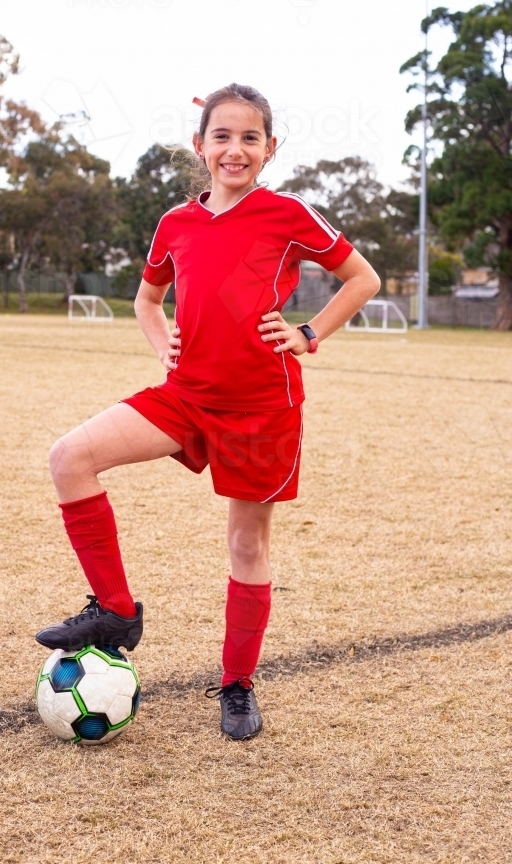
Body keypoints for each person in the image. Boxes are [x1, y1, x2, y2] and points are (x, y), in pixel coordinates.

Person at [36, 84, 380, 740]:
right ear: (200, 146)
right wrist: (161, 341)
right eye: (221, 136)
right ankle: (114, 611)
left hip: (261, 406)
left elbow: (362, 277)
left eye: (249, 138)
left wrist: (309, 334)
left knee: (246, 542)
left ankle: (237, 684)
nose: (234, 149)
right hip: (186, 395)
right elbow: (146, 299)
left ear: (269, 149)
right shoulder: (175, 224)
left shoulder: (287, 215)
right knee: (70, 458)